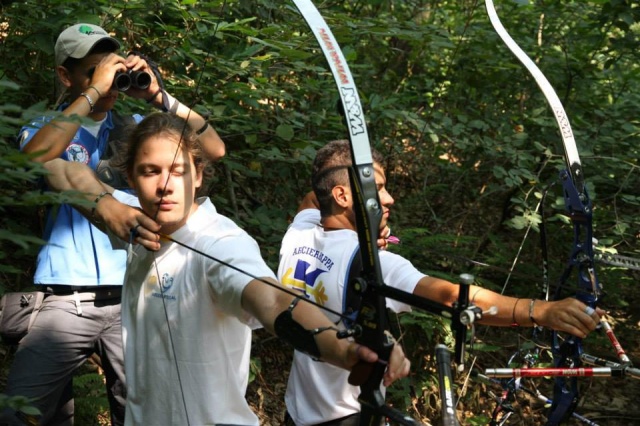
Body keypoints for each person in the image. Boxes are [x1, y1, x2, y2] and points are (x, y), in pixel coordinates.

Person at [40, 113, 411, 426]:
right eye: (150, 171)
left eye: (177, 170)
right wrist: (107, 207)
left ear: (198, 175)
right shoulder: (135, 222)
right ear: (131, 180)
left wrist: (343, 346)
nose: (165, 185)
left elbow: (272, 299)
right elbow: (55, 164)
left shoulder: (221, 242)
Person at [277, 139, 605, 426]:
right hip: (349, 415)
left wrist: (362, 223)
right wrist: (537, 310)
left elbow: (313, 196)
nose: (389, 199)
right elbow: (452, 297)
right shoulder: (375, 265)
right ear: (342, 196)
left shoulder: (300, 231)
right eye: (377, 189)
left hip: (298, 410)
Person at [2, 23, 225, 426]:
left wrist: (159, 95)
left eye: (111, 70)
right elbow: (32, 160)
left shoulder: (133, 126)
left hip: (136, 293)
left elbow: (214, 148)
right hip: (66, 297)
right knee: (21, 412)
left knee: (144, 413)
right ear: (65, 75)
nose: (107, 82)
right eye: (92, 70)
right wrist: (91, 92)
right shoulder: (43, 128)